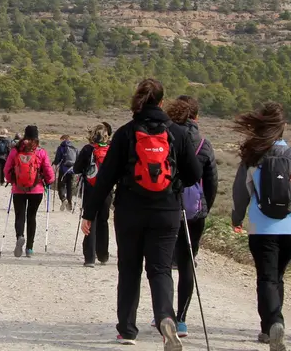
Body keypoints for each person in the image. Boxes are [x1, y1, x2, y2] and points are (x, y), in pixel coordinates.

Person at [82, 78, 202, 350]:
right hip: (167, 212)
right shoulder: (178, 134)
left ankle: (127, 330)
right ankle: (165, 319)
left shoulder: (125, 133)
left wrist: (89, 213)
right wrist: (175, 182)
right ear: (162, 102)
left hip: (130, 211)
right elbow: (195, 174)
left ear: (138, 100)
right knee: (160, 270)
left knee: (129, 269)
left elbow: (105, 179)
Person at [231, 102, 291, 351]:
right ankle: (271, 326)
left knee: (266, 279)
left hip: (261, 229)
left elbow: (241, 194)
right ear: (282, 129)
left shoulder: (252, 157)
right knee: (277, 277)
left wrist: (237, 218)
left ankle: (272, 324)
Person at [163, 95, 218, 338]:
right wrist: (205, 206)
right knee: (187, 265)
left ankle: (164, 315)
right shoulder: (204, 143)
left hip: (166, 208)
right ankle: (182, 319)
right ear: (196, 116)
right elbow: (212, 182)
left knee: (162, 264)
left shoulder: (165, 137)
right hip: (195, 212)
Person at [5, 125, 55, 258]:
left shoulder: (15, 150)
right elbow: (49, 171)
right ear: (36, 137)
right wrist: (49, 181)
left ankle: (20, 236)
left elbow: (7, 169)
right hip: (36, 190)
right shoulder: (40, 152)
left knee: (19, 215)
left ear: (24, 135)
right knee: (31, 216)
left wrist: (11, 180)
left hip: (18, 189)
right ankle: (30, 248)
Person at [74, 124, 112, 267]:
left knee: (90, 220)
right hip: (107, 191)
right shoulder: (111, 149)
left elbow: (76, 168)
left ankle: (89, 258)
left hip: (90, 190)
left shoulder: (87, 149)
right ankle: (103, 255)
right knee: (103, 221)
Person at [52, 134, 77, 211]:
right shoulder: (74, 148)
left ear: (63, 139)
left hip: (63, 170)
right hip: (72, 170)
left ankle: (63, 199)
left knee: (61, 186)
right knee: (70, 187)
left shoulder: (61, 148)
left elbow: (57, 159)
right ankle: (69, 205)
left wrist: (54, 163)